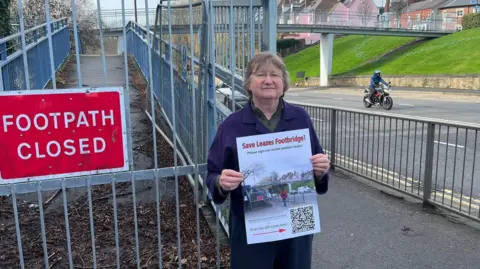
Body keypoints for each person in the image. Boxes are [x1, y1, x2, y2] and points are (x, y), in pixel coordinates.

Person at [206, 51, 331, 269]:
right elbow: (213, 173)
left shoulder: (301, 118)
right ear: (249, 83)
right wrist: (220, 182)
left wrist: (321, 171)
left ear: (283, 83)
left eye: (275, 74)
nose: (268, 80)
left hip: (298, 222)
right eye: (260, 74)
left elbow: (317, 170)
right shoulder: (232, 125)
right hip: (251, 224)